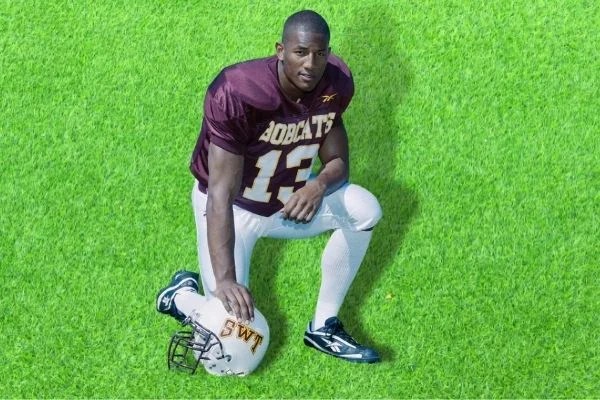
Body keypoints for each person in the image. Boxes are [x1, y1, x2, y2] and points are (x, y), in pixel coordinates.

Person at [156, 9, 383, 364]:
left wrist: (318, 186)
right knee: (231, 333)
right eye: (300, 52)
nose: (310, 64)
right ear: (280, 50)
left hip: (286, 204)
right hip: (234, 211)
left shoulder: (334, 83)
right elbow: (219, 194)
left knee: (365, 209)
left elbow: (339, 162)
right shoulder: (237, 92)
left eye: (319, 54)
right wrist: (226, 280)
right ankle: (181, 296)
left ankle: (323, 326)